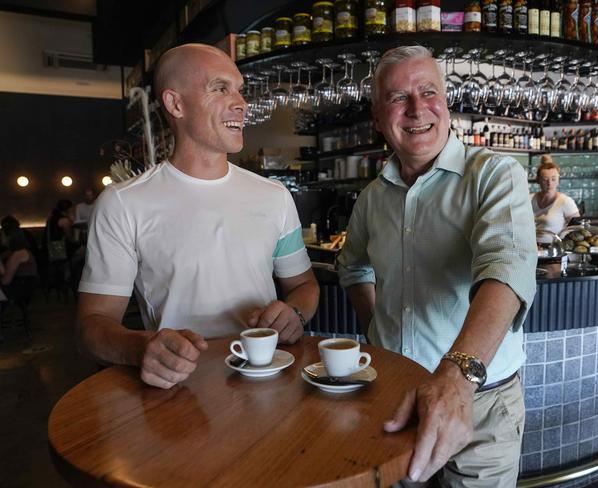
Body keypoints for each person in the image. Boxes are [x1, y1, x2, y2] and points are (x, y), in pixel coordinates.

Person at [337, 46, 537, 487]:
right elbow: (352, 269)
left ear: (446, 103)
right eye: (397, 97)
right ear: (377, 116)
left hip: (482, 406)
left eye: (429, 92)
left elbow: (507, 268)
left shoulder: (494, 174)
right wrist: (378, 335)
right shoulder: (371, 199)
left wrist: (458, 376)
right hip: (397, 399)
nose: (416, 109)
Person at [76, 43, 319, 389]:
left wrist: (295, 313)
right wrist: (139, 347)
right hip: (179, 394)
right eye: (220, 88)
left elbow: (303, 285)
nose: (241, 103)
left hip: (268, 385)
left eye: (239, 89)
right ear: (176, 103)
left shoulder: (275, 197)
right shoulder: (122, 203)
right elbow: (92, 325)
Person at [530, 154, 580, 234]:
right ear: (538, 180)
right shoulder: (529, 199)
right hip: (530, 245)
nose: (549, 183)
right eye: (545, 179)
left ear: (558, 180)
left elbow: (577, 229)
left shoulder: (565, 201)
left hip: (554, 245)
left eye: (553, 179)